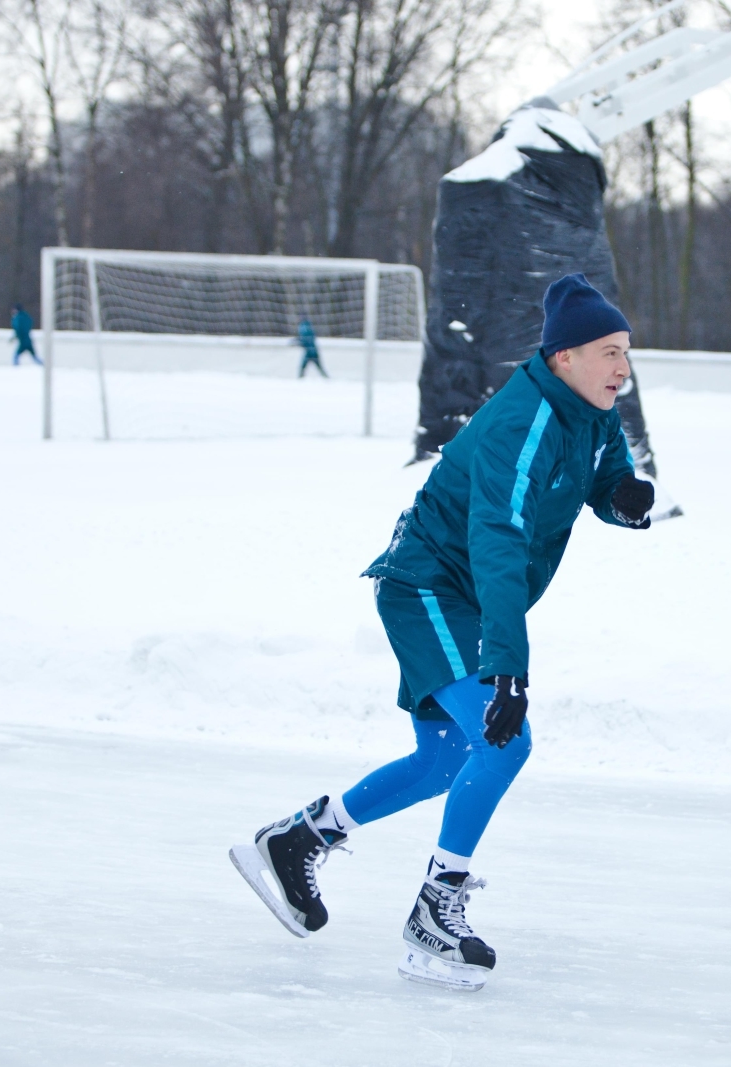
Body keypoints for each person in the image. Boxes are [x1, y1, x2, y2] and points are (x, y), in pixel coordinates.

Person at [231, 274, 657, 990]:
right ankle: (437, 907)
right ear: (563, 358)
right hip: (429, 585)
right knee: (502, 738)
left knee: (445, 758)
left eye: (626, 353)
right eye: (609, 352)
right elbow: (497, 540)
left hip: (462, 594)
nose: (623, 369)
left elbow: (602, 470)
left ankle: (298, 838)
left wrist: (621, 497)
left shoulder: (592, 409)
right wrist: (507, 669)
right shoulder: (522, 425)